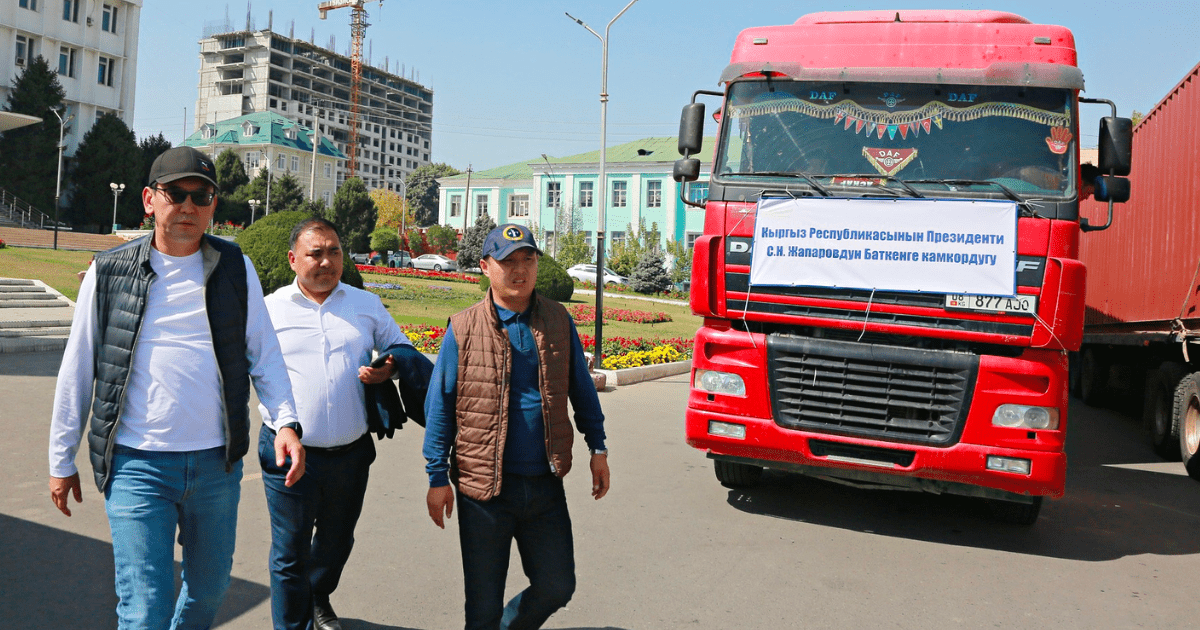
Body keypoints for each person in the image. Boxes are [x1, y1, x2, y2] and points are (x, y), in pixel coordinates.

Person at [47, 145, 304, 629]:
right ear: (149, 200)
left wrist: (286, 421)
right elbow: (78, 368)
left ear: (213, 204)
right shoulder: (109, 272)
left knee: (208, 593)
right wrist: (61, 460)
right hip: (136, 465)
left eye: (201, 195)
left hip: (214, 466)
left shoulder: (234, 267)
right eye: (176, 194)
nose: (188, 206)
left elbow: (264, 356)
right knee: (144, 608)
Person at [423, 223, 611, 630]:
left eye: (528, 259)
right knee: (482, 606)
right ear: (485, 266)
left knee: (557, 585)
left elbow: (581, 388)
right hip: (483, 489)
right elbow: (440, 406)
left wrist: (598, 448)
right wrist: (436, 476)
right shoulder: (463, 327)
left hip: (543, 483)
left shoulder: (558, 320)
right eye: (508, 261)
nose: (520, 270)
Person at [259, 217, 426, 630]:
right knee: (289, 552)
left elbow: (400, 347)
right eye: (315, 253)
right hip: (288, 453)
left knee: (336, 542)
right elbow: (250, 369)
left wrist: (389, 369)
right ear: (293, 259)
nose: (327, 261)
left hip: (350, 455)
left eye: (334, 251)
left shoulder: (363, 304)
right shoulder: (269, 309)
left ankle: (318, 593)